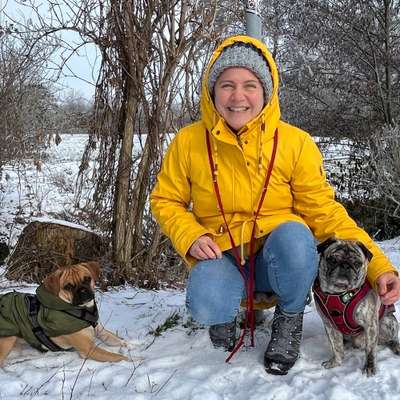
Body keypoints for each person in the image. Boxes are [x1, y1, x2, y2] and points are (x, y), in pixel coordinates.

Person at [150, 35, 400, 375]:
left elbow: (325, 213)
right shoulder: (188, 141)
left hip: (278, 258)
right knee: (206, 299)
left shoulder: (296, 143)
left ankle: (289, 318)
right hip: (223, 254)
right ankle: (225, 314)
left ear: (266, 91)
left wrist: (380, 268)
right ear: (212, 92)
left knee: (297, 237)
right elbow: (166, 200)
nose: (238, 97)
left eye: (250, 85)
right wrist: (190, 234)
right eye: (227, 85)